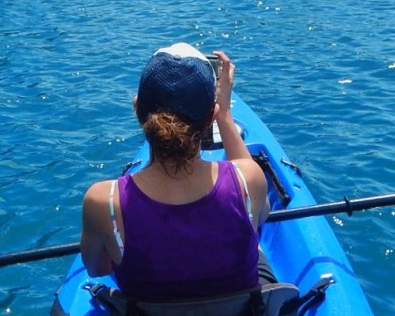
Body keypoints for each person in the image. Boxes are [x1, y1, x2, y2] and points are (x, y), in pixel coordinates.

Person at [80, 43, 270, 300]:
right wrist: (225, 112)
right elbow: (260, 217)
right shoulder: (249, 180)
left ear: (137, 109)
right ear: (210, 117)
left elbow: (97, 268)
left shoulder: (103, 201)